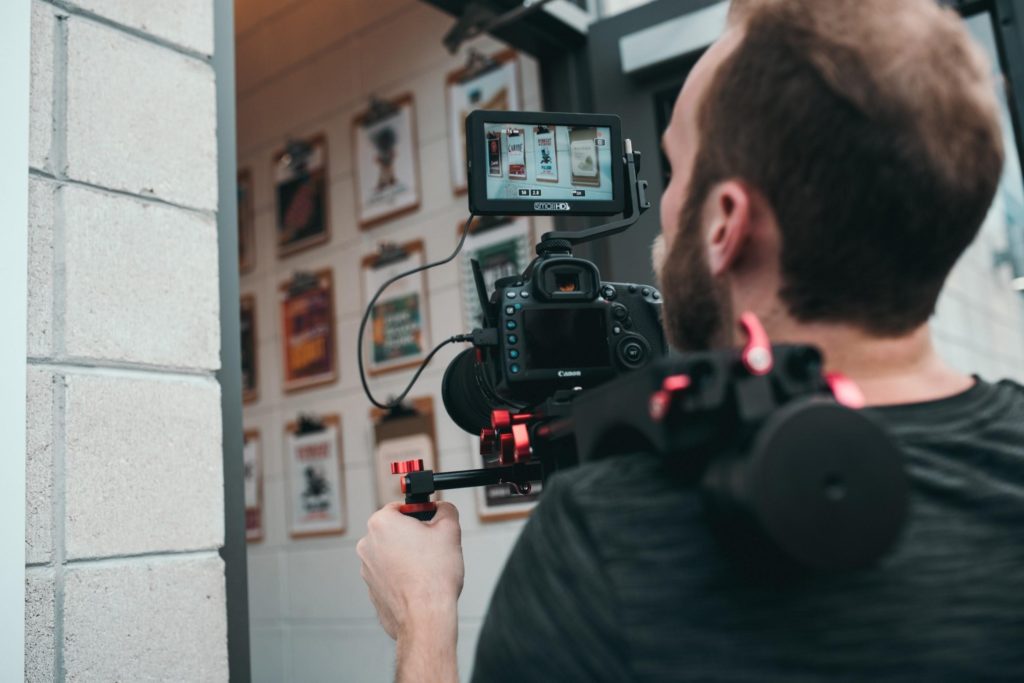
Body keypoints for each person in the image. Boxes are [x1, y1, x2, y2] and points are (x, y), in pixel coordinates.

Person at [356, 0, 1024, 680]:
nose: (664, 209)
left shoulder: (603, 538)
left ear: (724, 223)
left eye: (674, 173)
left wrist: (423, 610)